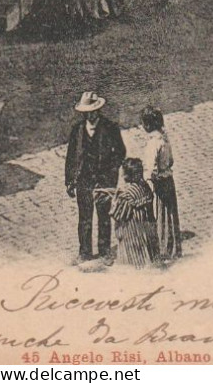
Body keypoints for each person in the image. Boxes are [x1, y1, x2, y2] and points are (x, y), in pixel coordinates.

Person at [65, 91, 126, 263]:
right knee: (84, 217)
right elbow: (71, 157)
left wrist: (111, 172)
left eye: (92, 111)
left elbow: (120, 152)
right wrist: (69, 181)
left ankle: (105, 251)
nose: (89, 115)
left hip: (103, 179)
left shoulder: (110, 128)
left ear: (98, 110)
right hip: (83, 179)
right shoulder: (77, 131)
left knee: (104, 216)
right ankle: (84, 252)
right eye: (86, 112)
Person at [95, 158, 159, 269]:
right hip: (145, 227)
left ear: (126, 176)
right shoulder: (145, 187)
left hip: (132, 231)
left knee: (132, 259)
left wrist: (114, 202)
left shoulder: (127, 194)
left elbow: (118, 215)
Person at [141, 106, 181, 260]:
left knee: (160, 215)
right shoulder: (165, 140)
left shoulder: (152, 144)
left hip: (159, 183)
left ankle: (163, 249)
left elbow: (150, 169)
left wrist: (146, 182)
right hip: (169, 180)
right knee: (170, 214)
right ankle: (173, 247)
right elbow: (171, 161)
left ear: (148, 125)